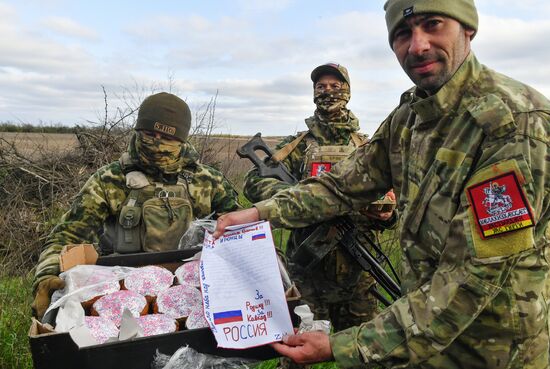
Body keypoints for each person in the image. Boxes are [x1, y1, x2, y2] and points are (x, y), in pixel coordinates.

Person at [214, 0, 550, 367]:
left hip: (491, 352)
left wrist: (341, 347)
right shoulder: (409, 117)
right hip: (420, 341)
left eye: (433, 24)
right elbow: (341, 185)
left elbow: (470, 280)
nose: (417, 45)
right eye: (403, 33)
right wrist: (260, 212)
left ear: (468, 29)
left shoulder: (513, 123)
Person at [32, 92, 241, 319]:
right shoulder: (110, 180)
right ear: (138, 131)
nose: (158, 142)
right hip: (118, 297)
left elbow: (242, 230)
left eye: (168, 138)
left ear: (182, 140)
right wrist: (46, 276)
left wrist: (269, 264)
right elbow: (67, 236)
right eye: (150, 134)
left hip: (196, 291)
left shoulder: (207, 181)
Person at [243, 62, 397, 336]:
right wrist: (301, 201)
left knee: (362, 351)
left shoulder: (365, 145)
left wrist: (388, 214)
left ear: (347, 91)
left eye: (335, 86)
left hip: (358, 268)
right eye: (321, 87)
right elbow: (253, 182)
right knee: (298, 350)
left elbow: (392, 198)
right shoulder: (297, 144)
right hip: (307, 272)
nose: (328, 91)